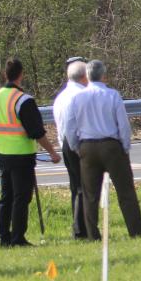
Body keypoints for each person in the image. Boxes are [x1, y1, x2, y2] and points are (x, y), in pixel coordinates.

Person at [0, 57, 61, 248]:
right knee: (21, 197)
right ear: (21, 75)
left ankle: (4, 237)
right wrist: (52, 153)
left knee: (6, 196)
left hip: (2, 153)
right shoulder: (24, 100)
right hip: (22, 155)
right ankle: (18, 238)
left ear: (5, 74)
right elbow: (37, 132)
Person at [65, 60, 141, 239]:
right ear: (104, 75)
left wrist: (76, 147)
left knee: (89, 195)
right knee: (126, 192)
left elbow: (70, 127)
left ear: (87, 76)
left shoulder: (77, 98)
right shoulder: (112, 95)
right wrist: (125, 146)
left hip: (87, 146)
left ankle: (93, 235)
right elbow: (123, 125)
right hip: (111, 146)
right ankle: (137, 232)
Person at [53, 60, 98, 239]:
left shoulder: (61, 97)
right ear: (84, 76)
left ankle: (79, 227)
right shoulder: (82, 96)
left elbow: (61, 126)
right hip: (78, 143)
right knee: (85, 188)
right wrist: (77, 147)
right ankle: (83, 229)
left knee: (76, 187)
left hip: (65, 143)